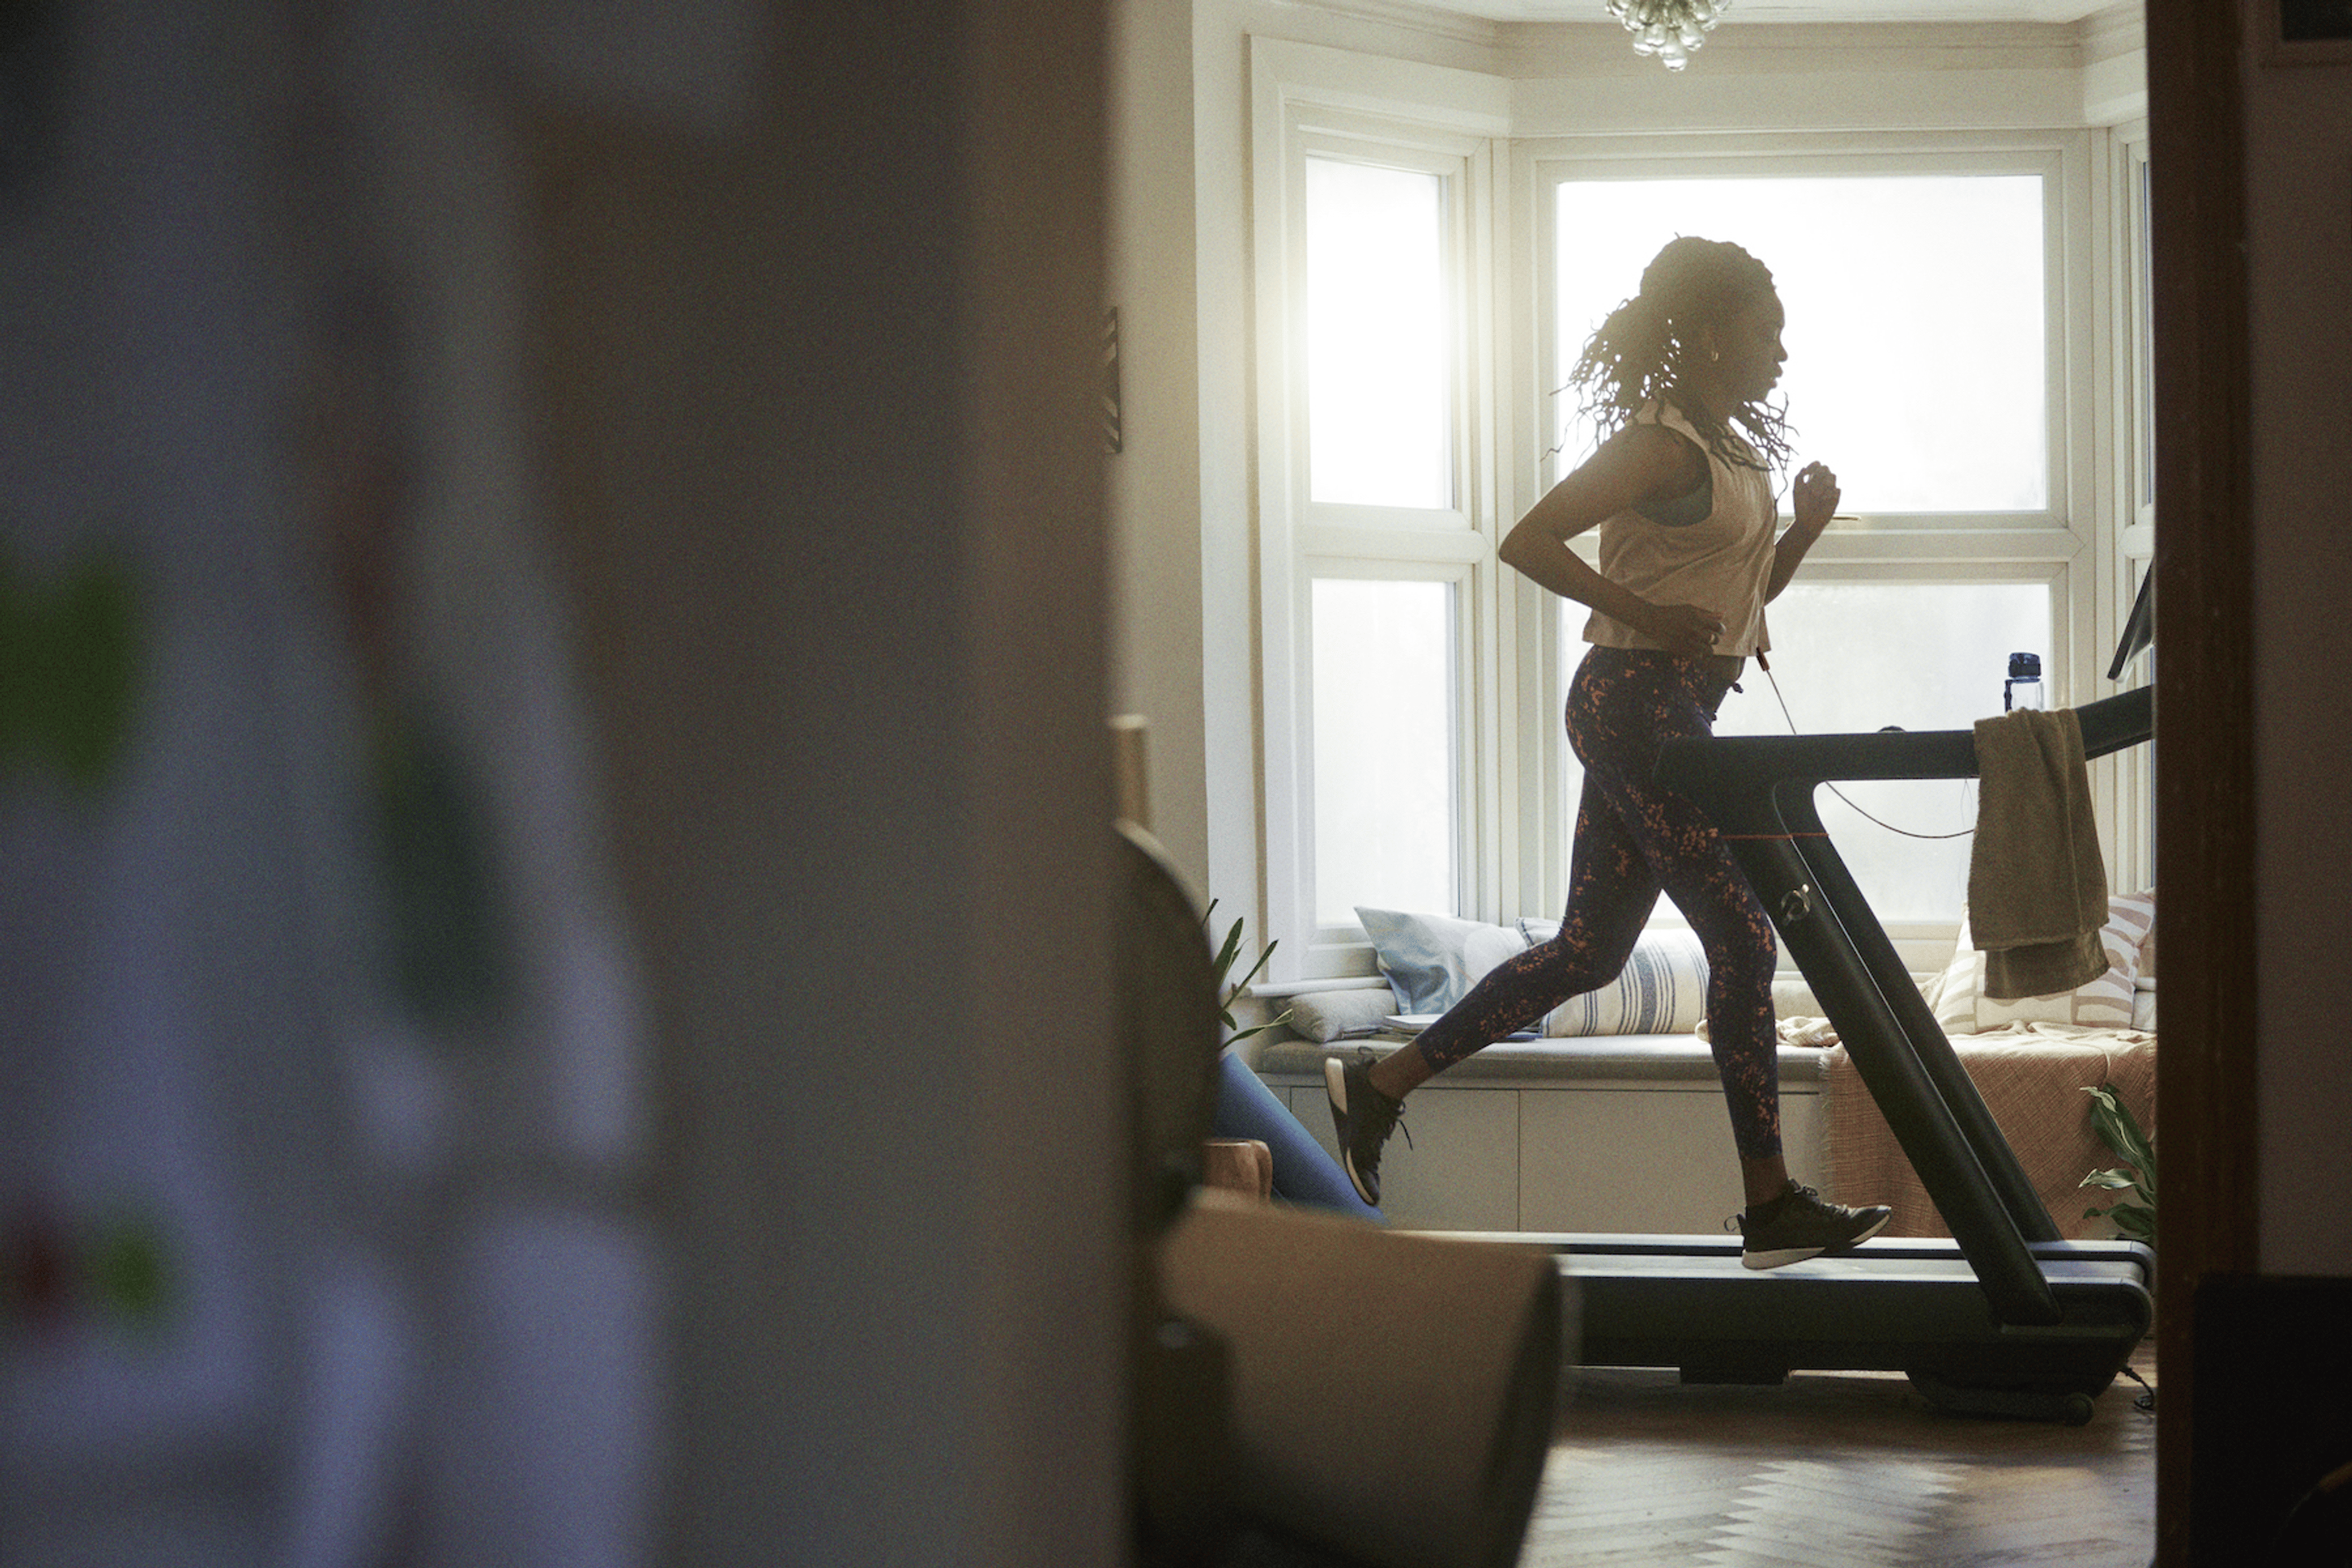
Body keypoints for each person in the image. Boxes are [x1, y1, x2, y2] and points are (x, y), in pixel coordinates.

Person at [1323, 235, 1891, 1270]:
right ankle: (1770, 1207)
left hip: (1677, 711)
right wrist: (1635, 608)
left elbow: (1736, 604)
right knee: (1746, 941)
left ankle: (1383, 1082)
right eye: (1768, 334)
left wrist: (1803, 529)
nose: (1781, 355)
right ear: (1715, 333)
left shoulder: (1728, 449)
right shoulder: (1661, 445)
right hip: (1635, 707)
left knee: (1591, 952)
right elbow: (1527, 538)